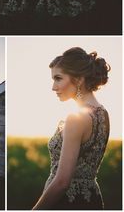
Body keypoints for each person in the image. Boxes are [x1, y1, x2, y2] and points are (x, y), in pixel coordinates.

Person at [32, 47, 110, 210]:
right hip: (92, 199)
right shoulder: (103, 114)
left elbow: (62, 182)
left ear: (79, 79)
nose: (54, 87)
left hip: (67, 202)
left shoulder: (76, 119)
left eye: (58, 78)